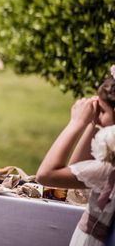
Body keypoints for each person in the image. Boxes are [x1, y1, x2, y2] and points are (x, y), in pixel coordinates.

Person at [36, 72, 115, 246]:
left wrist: (76, 123)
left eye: (102, 112)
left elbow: (46, 175)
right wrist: (96, 122)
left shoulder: (109, 169)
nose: (99, 116)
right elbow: (77, 169)